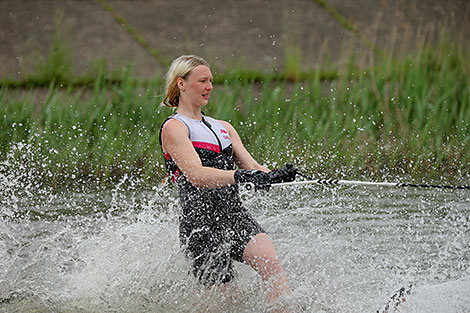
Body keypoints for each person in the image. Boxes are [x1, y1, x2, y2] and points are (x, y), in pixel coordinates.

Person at [159, 55, 297, 306]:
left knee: (273, 269)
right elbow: (197, 176)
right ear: (181, 83)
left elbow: (253, 167)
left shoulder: (223, 127)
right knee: (226, 304)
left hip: (233, 215)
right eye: (202, 81)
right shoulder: (174, 128)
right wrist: (240, 176)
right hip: (199, 225)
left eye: (211, 80)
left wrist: (276, 175)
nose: (209, 86)